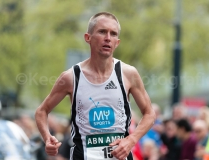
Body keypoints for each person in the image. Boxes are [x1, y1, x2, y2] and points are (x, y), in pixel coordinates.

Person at [35, 12, 155, 160]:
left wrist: (131, 140)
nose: (108, 38)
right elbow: (42, 111)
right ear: (88, 38)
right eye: (102, 31)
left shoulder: (128, 73)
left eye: (113, 34)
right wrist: (47, 138)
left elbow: (149, 113)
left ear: (117, 42)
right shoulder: (71, 77)